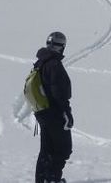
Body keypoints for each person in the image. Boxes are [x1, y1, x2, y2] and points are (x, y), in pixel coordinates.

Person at [32, 31, 73, 183]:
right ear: (62, 47)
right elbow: (58, 93)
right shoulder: (54, 64)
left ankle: (43, 179)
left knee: (47, 149)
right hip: (54, 113)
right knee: (63, 149)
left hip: (42, 112)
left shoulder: (41, 62)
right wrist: (66, 113)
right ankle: (52, 179)